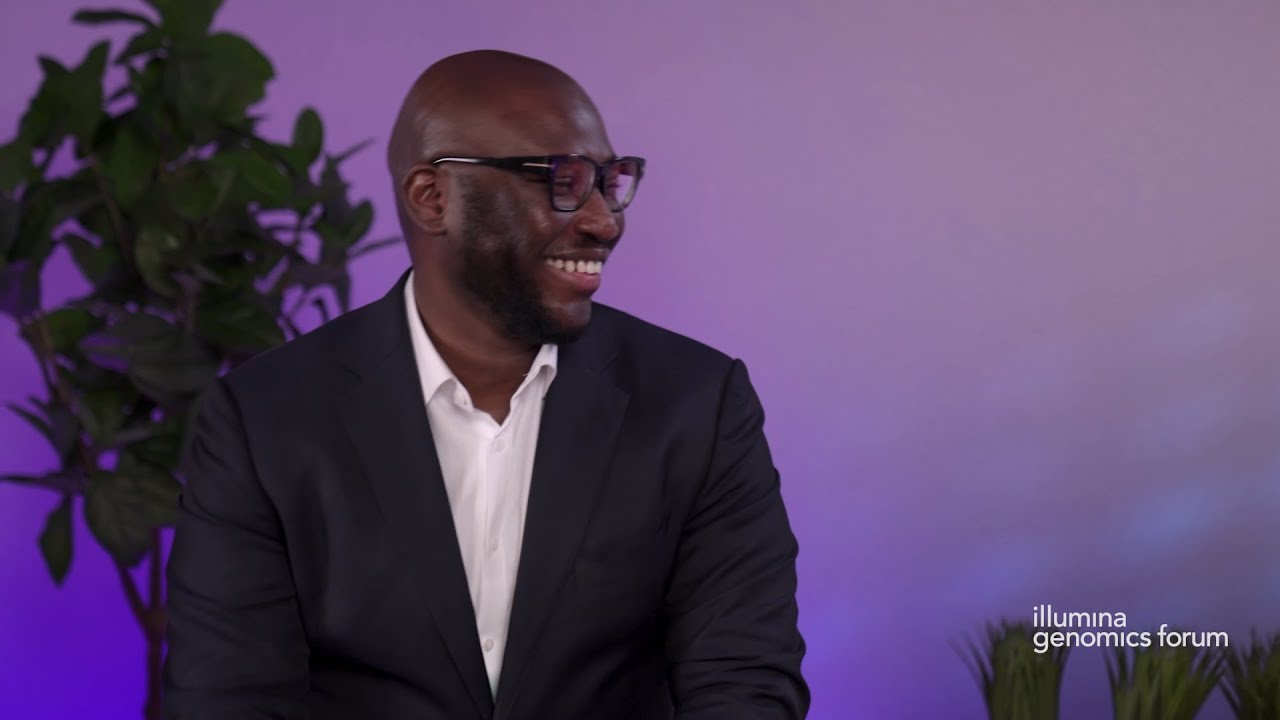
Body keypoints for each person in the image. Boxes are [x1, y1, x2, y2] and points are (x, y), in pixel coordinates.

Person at [163, 49, 808, 720]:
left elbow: (743, 683)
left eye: (609, 181)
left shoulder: (696, 403)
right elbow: (229, 700)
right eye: (562, 180)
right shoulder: (264, 419)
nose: (604, 220)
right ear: (432, 197)